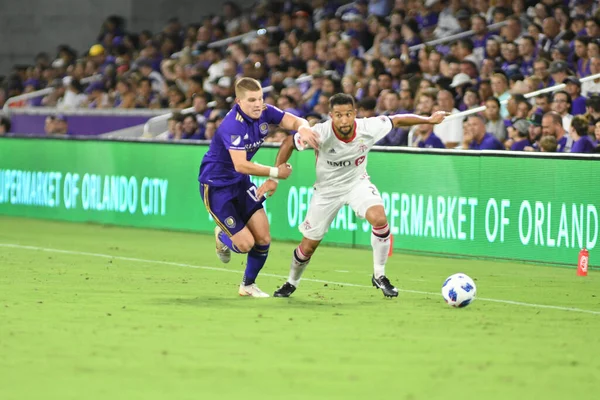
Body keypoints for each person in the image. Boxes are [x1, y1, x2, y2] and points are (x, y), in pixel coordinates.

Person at [256, 93, 447, 298]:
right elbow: (287, 143)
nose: (344, 120)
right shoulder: (319, 133)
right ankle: (291, 282)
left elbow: (398, 119)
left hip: (357, 183)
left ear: (355, 113)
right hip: (326, 191)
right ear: (331, 116)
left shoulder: (368, 127)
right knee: (308, 246)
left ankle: (379, 275)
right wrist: (274, 177)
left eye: (348, 114)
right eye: (338, 115)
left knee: (380, 219)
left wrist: (428, 120)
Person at [198, 77, 318, 298]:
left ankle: (247, 285)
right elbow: (241, 164)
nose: (257, 104)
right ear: (238, 101)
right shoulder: (232, 125)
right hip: (217, 187)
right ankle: (221, 237)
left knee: (263, 238)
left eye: (260, 98)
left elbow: (294, 121)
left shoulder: (265, 111)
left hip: (241, 183)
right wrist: (275, 173)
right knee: (245, 244)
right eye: (251, 100)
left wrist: (304, 129)